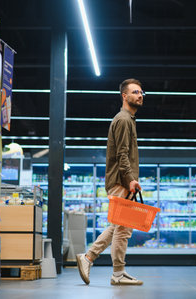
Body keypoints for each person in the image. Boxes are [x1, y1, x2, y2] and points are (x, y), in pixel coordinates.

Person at [76, 78, 144, 286]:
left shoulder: (127, 119)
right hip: (121, 181)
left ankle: (88, 258)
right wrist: (131, 180)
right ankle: (117, 273)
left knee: (118, 226)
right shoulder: (123, 120)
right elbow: (122, 155)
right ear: (124, 96)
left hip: (121, 180)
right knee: (123, 230)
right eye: (135, 92)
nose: (140, 95)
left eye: (141, 92)